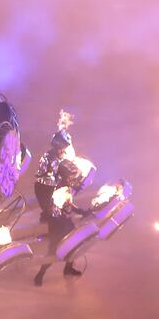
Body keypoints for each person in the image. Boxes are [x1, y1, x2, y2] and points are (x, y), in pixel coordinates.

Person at [32, 110, 92, 286]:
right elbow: (49, 194)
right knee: (55, 245)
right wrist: (53, 209)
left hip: (58, 209)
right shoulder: (50, 165)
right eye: (64, 147)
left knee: (73, 239)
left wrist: (77, 209)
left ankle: (68, 267)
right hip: (53, 212)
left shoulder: (60, 161)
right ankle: (40, 274)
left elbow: (65, 195)